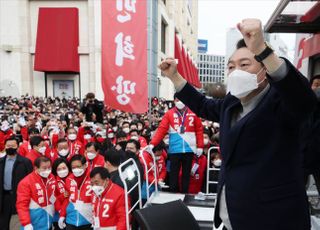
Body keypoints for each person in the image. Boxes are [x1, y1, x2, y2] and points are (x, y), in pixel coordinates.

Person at [158, 18, 317, 230]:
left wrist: (262, 49)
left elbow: (302, 100)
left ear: (265, 71)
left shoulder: (282, 103)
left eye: (244, 64)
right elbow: (203, 105)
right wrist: (175, 77)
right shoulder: (231, 104)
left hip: (273, 219)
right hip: (232, 216)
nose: (235, 72)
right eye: (231, 66)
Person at [150, 95, 204, 193]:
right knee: (173, 175)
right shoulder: (169, 114)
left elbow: (199, 130)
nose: (179, 101)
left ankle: (185, 194)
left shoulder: (193, 113)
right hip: (175, 149)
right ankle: (173, 195)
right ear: (174, 100)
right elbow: (162, 129)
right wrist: (153, 143)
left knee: (186, 175)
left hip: (189, 149)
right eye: (177, 99)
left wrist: (200, 146)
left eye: (181, 99)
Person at [0, 136, 33, 230]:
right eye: (8, 145)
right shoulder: (1, 162)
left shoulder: (25, 162)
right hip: (4, 197)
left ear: (17, 147)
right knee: (3, 224)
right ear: (5, 147)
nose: (10, 148)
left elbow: (30, 179)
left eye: (13, 146)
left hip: (20, 197)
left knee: (18, 224)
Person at [16, 156, 57, 230]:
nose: (47, 170)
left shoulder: (52, 178)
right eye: (44, 168)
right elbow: (22, 205)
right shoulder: (26, 182)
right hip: (33, 224)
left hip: (49, 221)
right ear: (36, 168)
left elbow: (54, 197)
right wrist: (26, 223)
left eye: (49, 167)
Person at [59, 155, 93, 230]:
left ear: (85, 165)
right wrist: (62, 215)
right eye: (73, 167)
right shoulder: (69, 179)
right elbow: (67, 199)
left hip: (88, 220)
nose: (76, 169)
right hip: (71, 220)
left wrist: (97, 219)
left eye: (78, 166)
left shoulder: (93, 178)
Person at [301, 74, 320, 198]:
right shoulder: (302, 107)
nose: (318, 89)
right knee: (297, 193)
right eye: (316, 85)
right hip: (302, 158)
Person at [52, 158, 70, 230]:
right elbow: (53, 198)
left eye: (64, 168)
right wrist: (62, 196)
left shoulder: (73, 178)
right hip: (58, 215)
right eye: (59, 169)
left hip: (71, 214)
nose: (62, 170)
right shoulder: (53, 181)